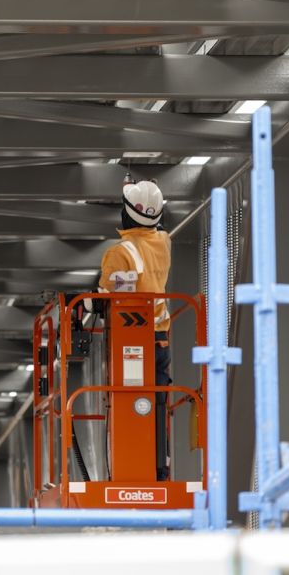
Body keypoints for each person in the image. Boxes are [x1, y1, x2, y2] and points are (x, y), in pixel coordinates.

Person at [98, 179, 172, 480]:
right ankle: (158, 468)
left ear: (125, 213)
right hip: (160, 339)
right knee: (156, 403)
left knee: (129, 404)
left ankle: (131, 470)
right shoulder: (164, 242)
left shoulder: (119, 253)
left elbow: (106, 296)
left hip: (132, 342)